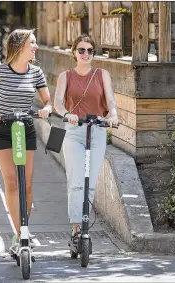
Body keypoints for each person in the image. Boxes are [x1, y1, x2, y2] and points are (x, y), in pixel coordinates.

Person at [0, 28, 52, 249]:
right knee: (10, 181)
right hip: (2, 128)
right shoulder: (0, 72)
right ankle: (20, 234)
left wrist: (46, 109)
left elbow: (47, 101)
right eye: (33, 43)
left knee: (27, 185)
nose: (36, 47)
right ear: (19, 46)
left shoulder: (36, 73)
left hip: (25, 128)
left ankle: (22, 233)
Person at [53, 34, 119, 244]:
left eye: (90, 51)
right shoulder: (65, 76)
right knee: (76, 181)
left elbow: (110, 100)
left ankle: (84, 224)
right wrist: (66, 114)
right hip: (74, 131)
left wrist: (113, 115)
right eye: (81, 50)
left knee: (90, 182)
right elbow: (57, 104)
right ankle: (76, 228)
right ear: (74, 52)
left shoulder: (102, 74)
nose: (85, 54)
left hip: (96, 131)